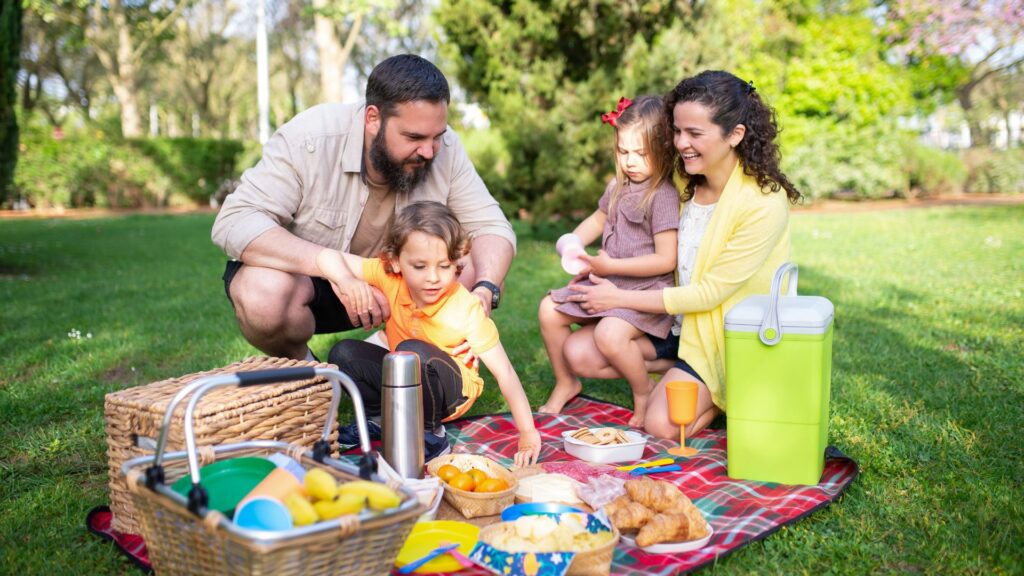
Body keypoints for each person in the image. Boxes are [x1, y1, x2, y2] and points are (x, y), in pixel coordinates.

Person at [212, 54, 515, 361]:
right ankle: (311, 374)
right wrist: (328, 263)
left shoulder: (445, 149)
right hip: (315, 283)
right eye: (414, 137)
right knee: (260, 292)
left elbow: (492, 228)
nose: (428, 150)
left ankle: (393, 355)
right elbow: (235, 221)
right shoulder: (309, 137)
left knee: (480, 259)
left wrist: (485, 290)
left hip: (400, 285)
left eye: (437, 136)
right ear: (373, 119)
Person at [563, 70, 802, 440]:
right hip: (675, 325)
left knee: (662, 425)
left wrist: (617, 296)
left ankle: (726, 392)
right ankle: (675, 371)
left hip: (720, 338)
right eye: (676, 131)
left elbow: (709, 294)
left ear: (734, 135)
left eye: (694, 133)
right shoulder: (682, 180)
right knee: (578, 353)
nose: (680, 143)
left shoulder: (762, 203)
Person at [320, 201, 541, 465]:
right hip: (408, 376)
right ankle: (378, 418)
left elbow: (504, 372)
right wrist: (346, 280)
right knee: (343, 352)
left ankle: (431, 434)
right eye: (420, 266)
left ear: (457, 262)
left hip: (449, 393)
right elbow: (327, 257)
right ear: (396, 262)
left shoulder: (464, 308)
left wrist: (527, 432)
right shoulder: (389, 277)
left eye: (444, 266)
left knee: (411, 351)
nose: (433, 278)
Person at [537, 95, 680, 428]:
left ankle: (643, 391)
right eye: (623, 151)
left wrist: (610, 267)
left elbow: (665, 258)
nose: (630, 161)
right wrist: (573, 241)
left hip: (643, 290)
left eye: (641, 154)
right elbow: (599, 219)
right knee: (548, 310)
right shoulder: (618, 185)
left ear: (663, 149)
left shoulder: (662, 195)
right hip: (606, 279)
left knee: (610, 335)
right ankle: (566, 381)